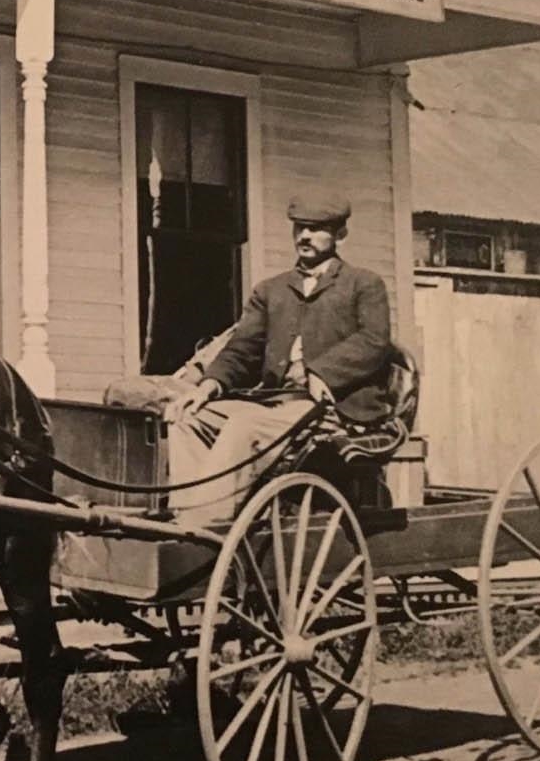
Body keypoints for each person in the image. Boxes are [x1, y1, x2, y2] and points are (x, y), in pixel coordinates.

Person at [163, 194, 393, 526]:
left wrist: (320, 372)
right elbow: (242, 348)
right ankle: (187, 517)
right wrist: (208, 386)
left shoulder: (364, 284)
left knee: (244, 426)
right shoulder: (271, 290)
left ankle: (208, 524)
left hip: (331, 408)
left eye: (317, 229)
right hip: (274, 403)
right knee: (188, 417)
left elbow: (374, 341)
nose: (305, 236)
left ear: (340, 234)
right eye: (300, 228)